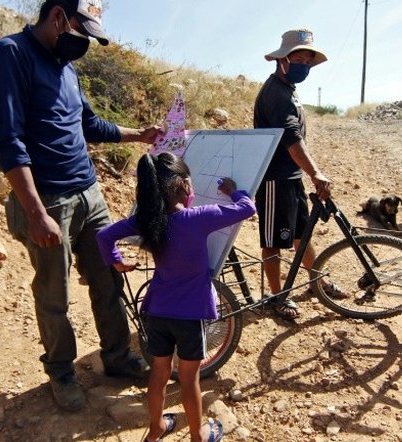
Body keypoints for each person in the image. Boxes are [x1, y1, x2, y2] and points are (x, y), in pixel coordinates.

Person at [0, 0, 160, 412]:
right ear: (59, 16)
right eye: (83, 31)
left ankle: (118, 357)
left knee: (108, 279)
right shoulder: (11, 53)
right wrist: (35, 212)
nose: (85, 43)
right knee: (54, 293)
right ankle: (61, 371)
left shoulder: (67, 68)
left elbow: (89, 125)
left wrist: (139, 135)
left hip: (89, 194)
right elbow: (8, 141)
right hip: (48, 200)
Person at [97, 152, 253, 442]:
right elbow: (247, 208)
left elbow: (104, 236)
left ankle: (156, 428)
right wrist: (233, 191)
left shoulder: (146, 221)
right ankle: (197, 435)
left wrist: (117, 263)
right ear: (183, 184)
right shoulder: (199, 217)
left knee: (159, 372)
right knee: (189, 378)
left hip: (157, 311)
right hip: (190, 316)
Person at [254, 28, 341, 320]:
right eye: (298, 60)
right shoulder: (275, 93)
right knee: (273, 241)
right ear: (282, 60)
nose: (304, 66)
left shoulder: (289, 89)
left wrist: (306, 174)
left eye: (307, 61)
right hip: (274, 179)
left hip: (291, 177)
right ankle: (278, 296)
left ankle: (318, 281)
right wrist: (315, 173)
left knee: (301, 235)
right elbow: (292, 139)